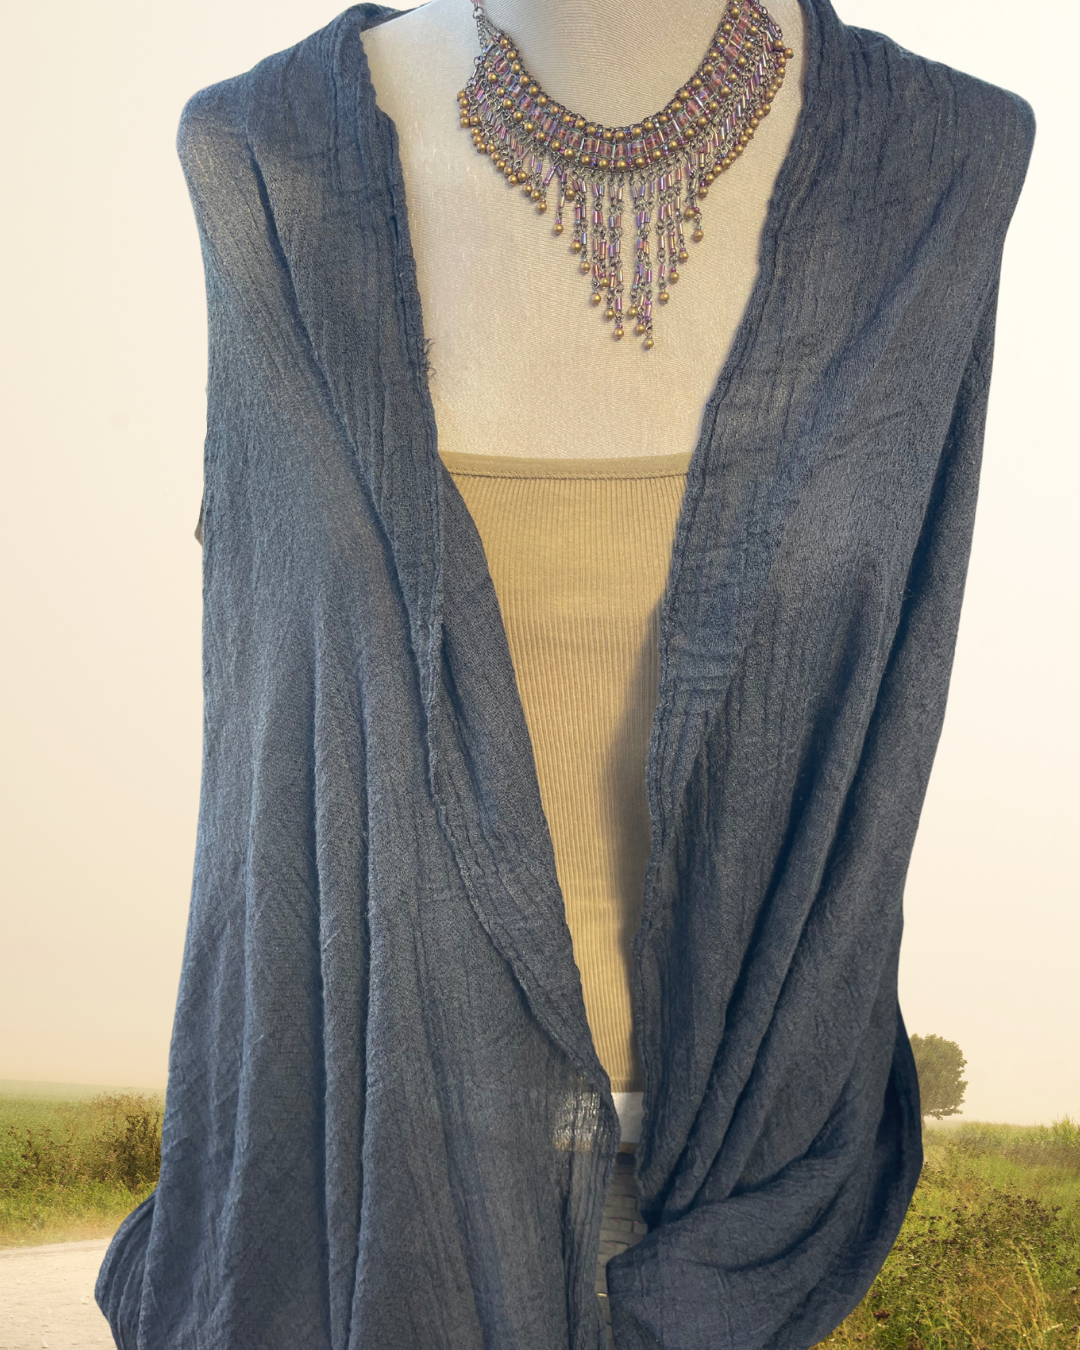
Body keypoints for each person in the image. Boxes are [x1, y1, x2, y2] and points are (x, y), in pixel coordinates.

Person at [96, 1, 1036, 1346]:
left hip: (751, 1235)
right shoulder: (259, 160)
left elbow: (891, 704)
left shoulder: (942, 170)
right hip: (372, 1201)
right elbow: (257, 735)